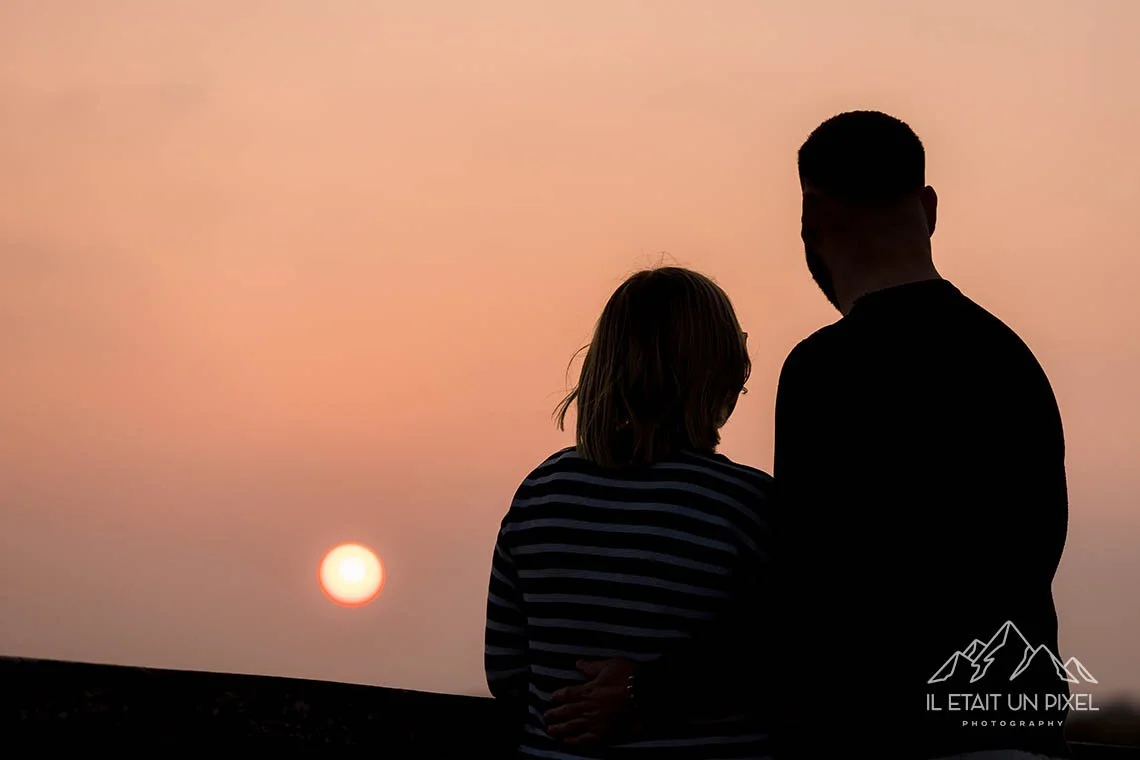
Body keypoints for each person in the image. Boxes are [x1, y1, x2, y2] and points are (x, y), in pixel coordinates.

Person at [542, 111, 1071, 760]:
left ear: (811, 216)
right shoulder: (1012, 361)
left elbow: (811, 591)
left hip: (888, 738)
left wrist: (643, 693)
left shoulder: (830, 370)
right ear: (929, 208)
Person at [484, 266, 777, 759]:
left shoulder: (540, 493)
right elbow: (789, 661)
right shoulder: (747, 506)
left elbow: (506, 673)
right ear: (719, 376)